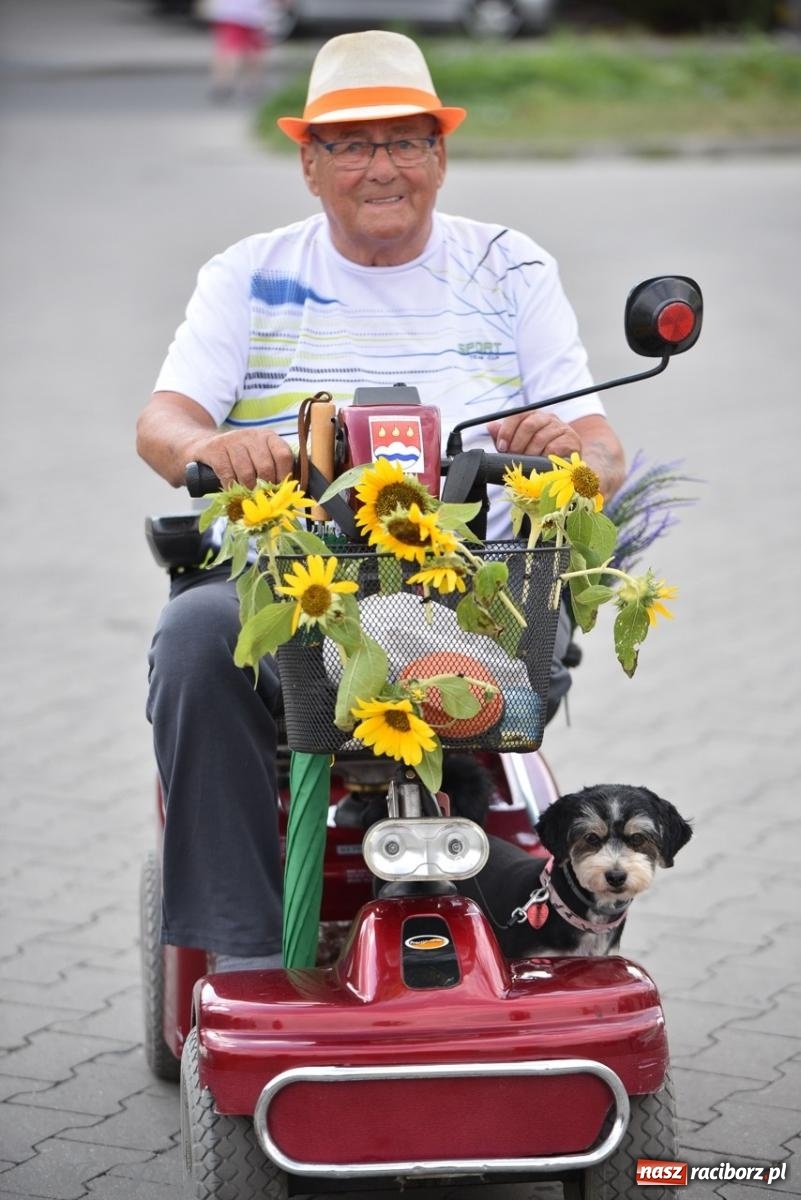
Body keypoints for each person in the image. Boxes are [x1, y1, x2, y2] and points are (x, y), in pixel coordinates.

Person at [136, 29, 626, 973]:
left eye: (405, 142)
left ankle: (522, 888)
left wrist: (568, 451)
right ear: (309, 165)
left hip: (472, 590)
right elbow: (162, 424)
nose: (381, 168)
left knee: (535, 618)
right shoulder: (249, 273)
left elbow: (600, 452)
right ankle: (242, 962)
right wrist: (210, 444)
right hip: (294, 587)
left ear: (440, 156)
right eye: (352, 146)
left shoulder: (509, 266)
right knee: (196, 641)